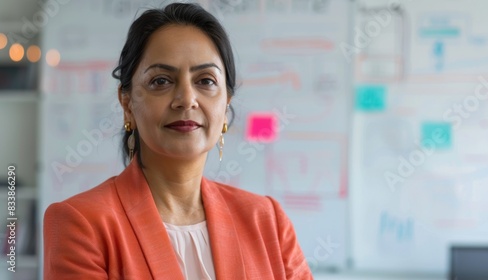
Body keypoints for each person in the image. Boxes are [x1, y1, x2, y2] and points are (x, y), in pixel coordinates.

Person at [43, 3, 312, 279]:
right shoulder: (81, 223)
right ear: (127, 103)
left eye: (205, 81)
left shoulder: (267, 220)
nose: (186, 99)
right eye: (161, 81)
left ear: (226, 103)